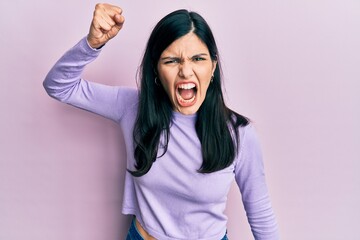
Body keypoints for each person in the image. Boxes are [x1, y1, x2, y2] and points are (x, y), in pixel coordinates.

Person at [43, 3, 279, 240]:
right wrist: (92, 44)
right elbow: (58, 86)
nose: (186, 72)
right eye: (171, 61)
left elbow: (259, 210)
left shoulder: (239, 134)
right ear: (156, 70)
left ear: (213, 66)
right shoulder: (133, 108)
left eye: (198, 58)